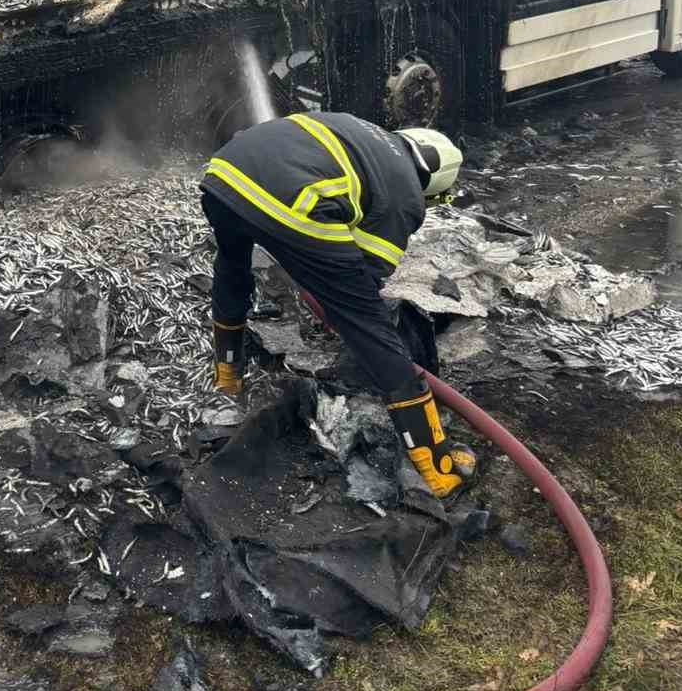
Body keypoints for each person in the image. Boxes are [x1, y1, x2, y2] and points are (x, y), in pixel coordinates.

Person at [201, 109, 476, 499]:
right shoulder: (407, 194)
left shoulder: (362, 131)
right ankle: (438, 466)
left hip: (224, 174)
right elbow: (366, 277)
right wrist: (343, 307)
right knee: (368, 326)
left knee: (232, 265)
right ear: (432, 184)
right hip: (291, 200)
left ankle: (228, 376)